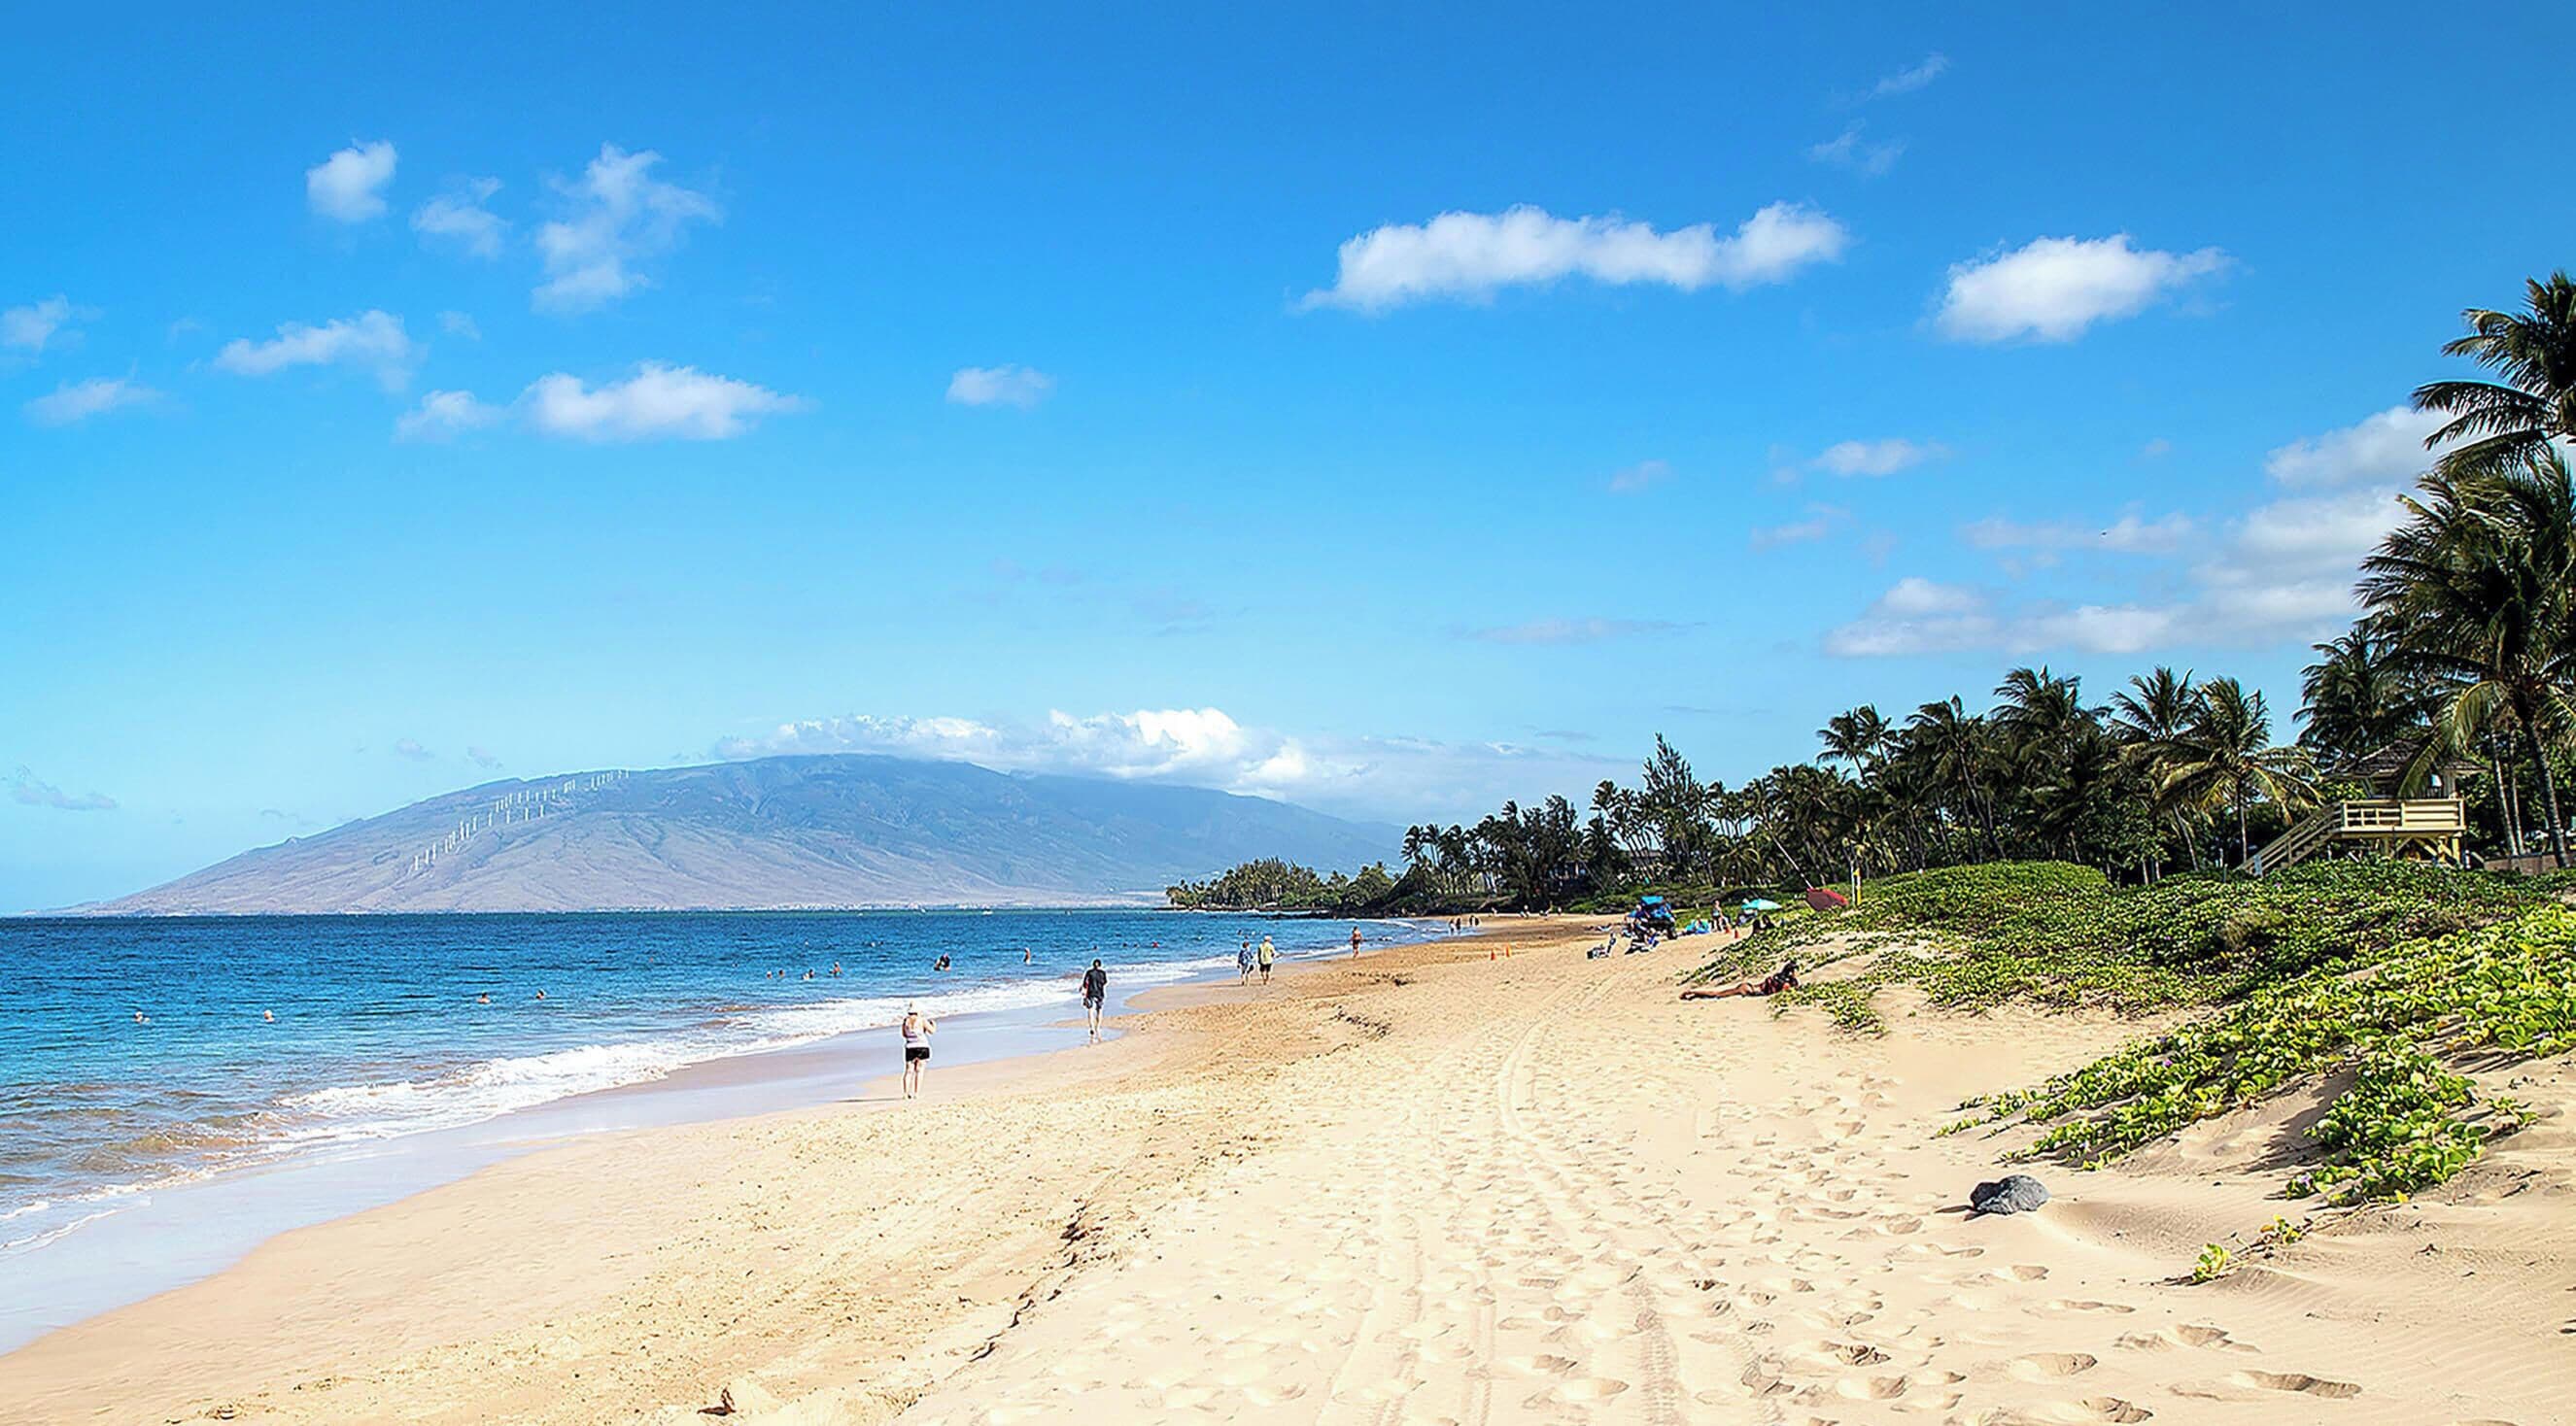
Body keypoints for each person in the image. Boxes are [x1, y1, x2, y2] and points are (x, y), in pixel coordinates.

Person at [1682, 958, 1801, 1001]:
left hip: (1750, 986)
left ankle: (1695, 994)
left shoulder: (1779, 977)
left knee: (1718, 993)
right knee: (1717, 993)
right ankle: (1692, 992)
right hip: (1749, 990)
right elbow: (1790, 990)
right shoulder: (1786, 983)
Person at [899, 1002, 935, 1097]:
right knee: (919, 1070)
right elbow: (932, 1031)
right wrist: (934, 1025)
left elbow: (904, 1034)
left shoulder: (906, 1021)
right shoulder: (922, 1020)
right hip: (922, 1046)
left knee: (908, 1071)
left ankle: (905, 1093)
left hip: (910, 1046)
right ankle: (916, 1093)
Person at [1081, 959, 1110, 1041]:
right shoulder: (1102, 973)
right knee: (1099, 1011)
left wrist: (1083, 990)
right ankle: (1098, 1027)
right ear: (1100, 965)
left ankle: (1092, 1027)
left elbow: (1085, 983)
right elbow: (1105, 982)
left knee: (1090, 1010)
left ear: (1093, 965)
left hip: (1090, 993)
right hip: (1100, 993)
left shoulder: (1089, 972)